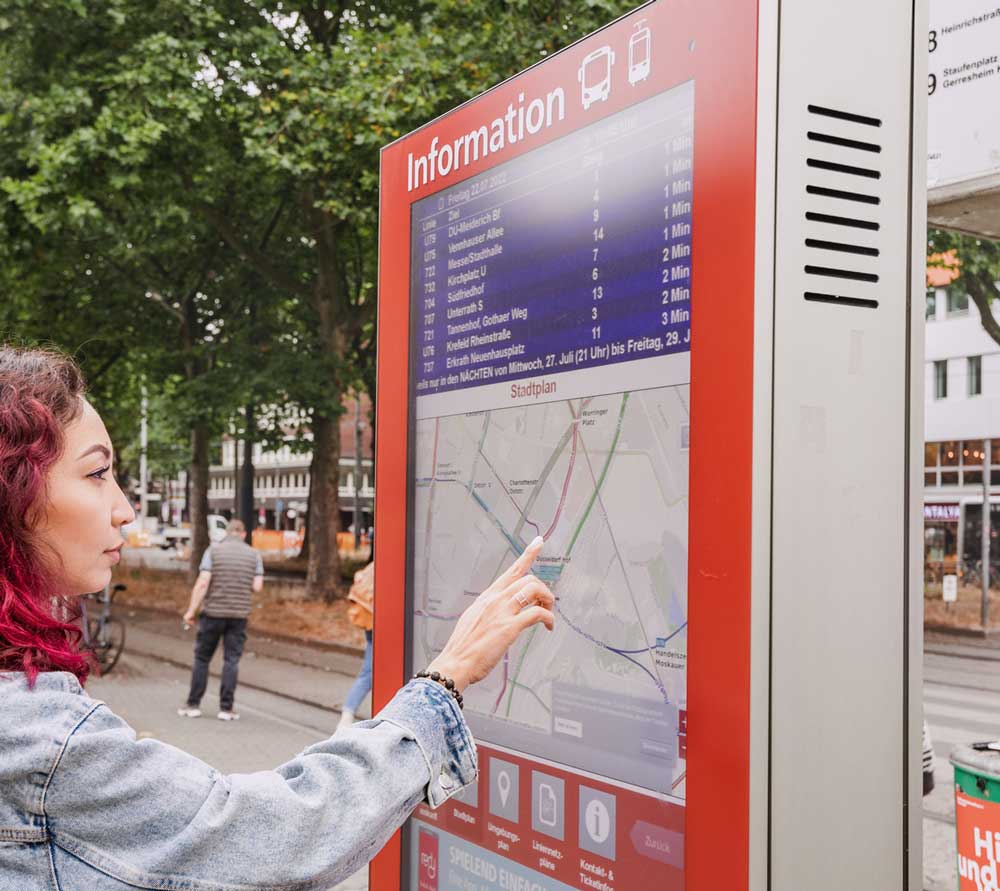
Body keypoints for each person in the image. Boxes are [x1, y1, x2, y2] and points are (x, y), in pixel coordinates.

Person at [0, 346, 555, 891]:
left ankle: (208, 703)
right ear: (16, 493)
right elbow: (274, 835)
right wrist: (445, 679)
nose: (124, 507)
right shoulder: (42, 739)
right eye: (97, 473)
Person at [178, 517, 263, 720]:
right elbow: (257, 586)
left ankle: (193, 705)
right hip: (239, 616)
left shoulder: (213, 551)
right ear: (243, 534)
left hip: (213, 614)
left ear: (227, 533)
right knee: (231, 660)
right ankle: (226, 709)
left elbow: (203, 582)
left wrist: (191, 611)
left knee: (202, 658)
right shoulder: (254, 554)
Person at [339, 561, 374, 731]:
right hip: (380, 622)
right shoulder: (390, 564)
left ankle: (347, 713)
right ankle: (347, 715)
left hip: (370, 621)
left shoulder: (372, 567)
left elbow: (358, 577)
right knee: (369, 673)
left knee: (368, 672)